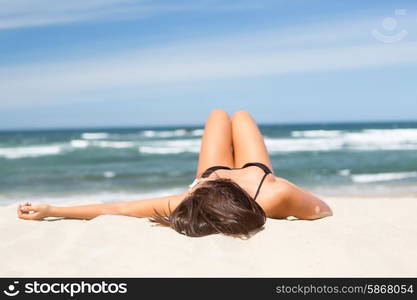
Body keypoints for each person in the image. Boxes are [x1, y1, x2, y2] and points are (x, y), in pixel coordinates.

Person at [17, 109, 332, 237]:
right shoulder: (276, 193)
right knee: (239, 116)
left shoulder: (190, 196)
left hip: (215, 173)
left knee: (221, 116)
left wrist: (53, 210)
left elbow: (117, 208)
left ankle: (223, 128)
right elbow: (323, 210)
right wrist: (50, 210)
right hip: (255, 175)